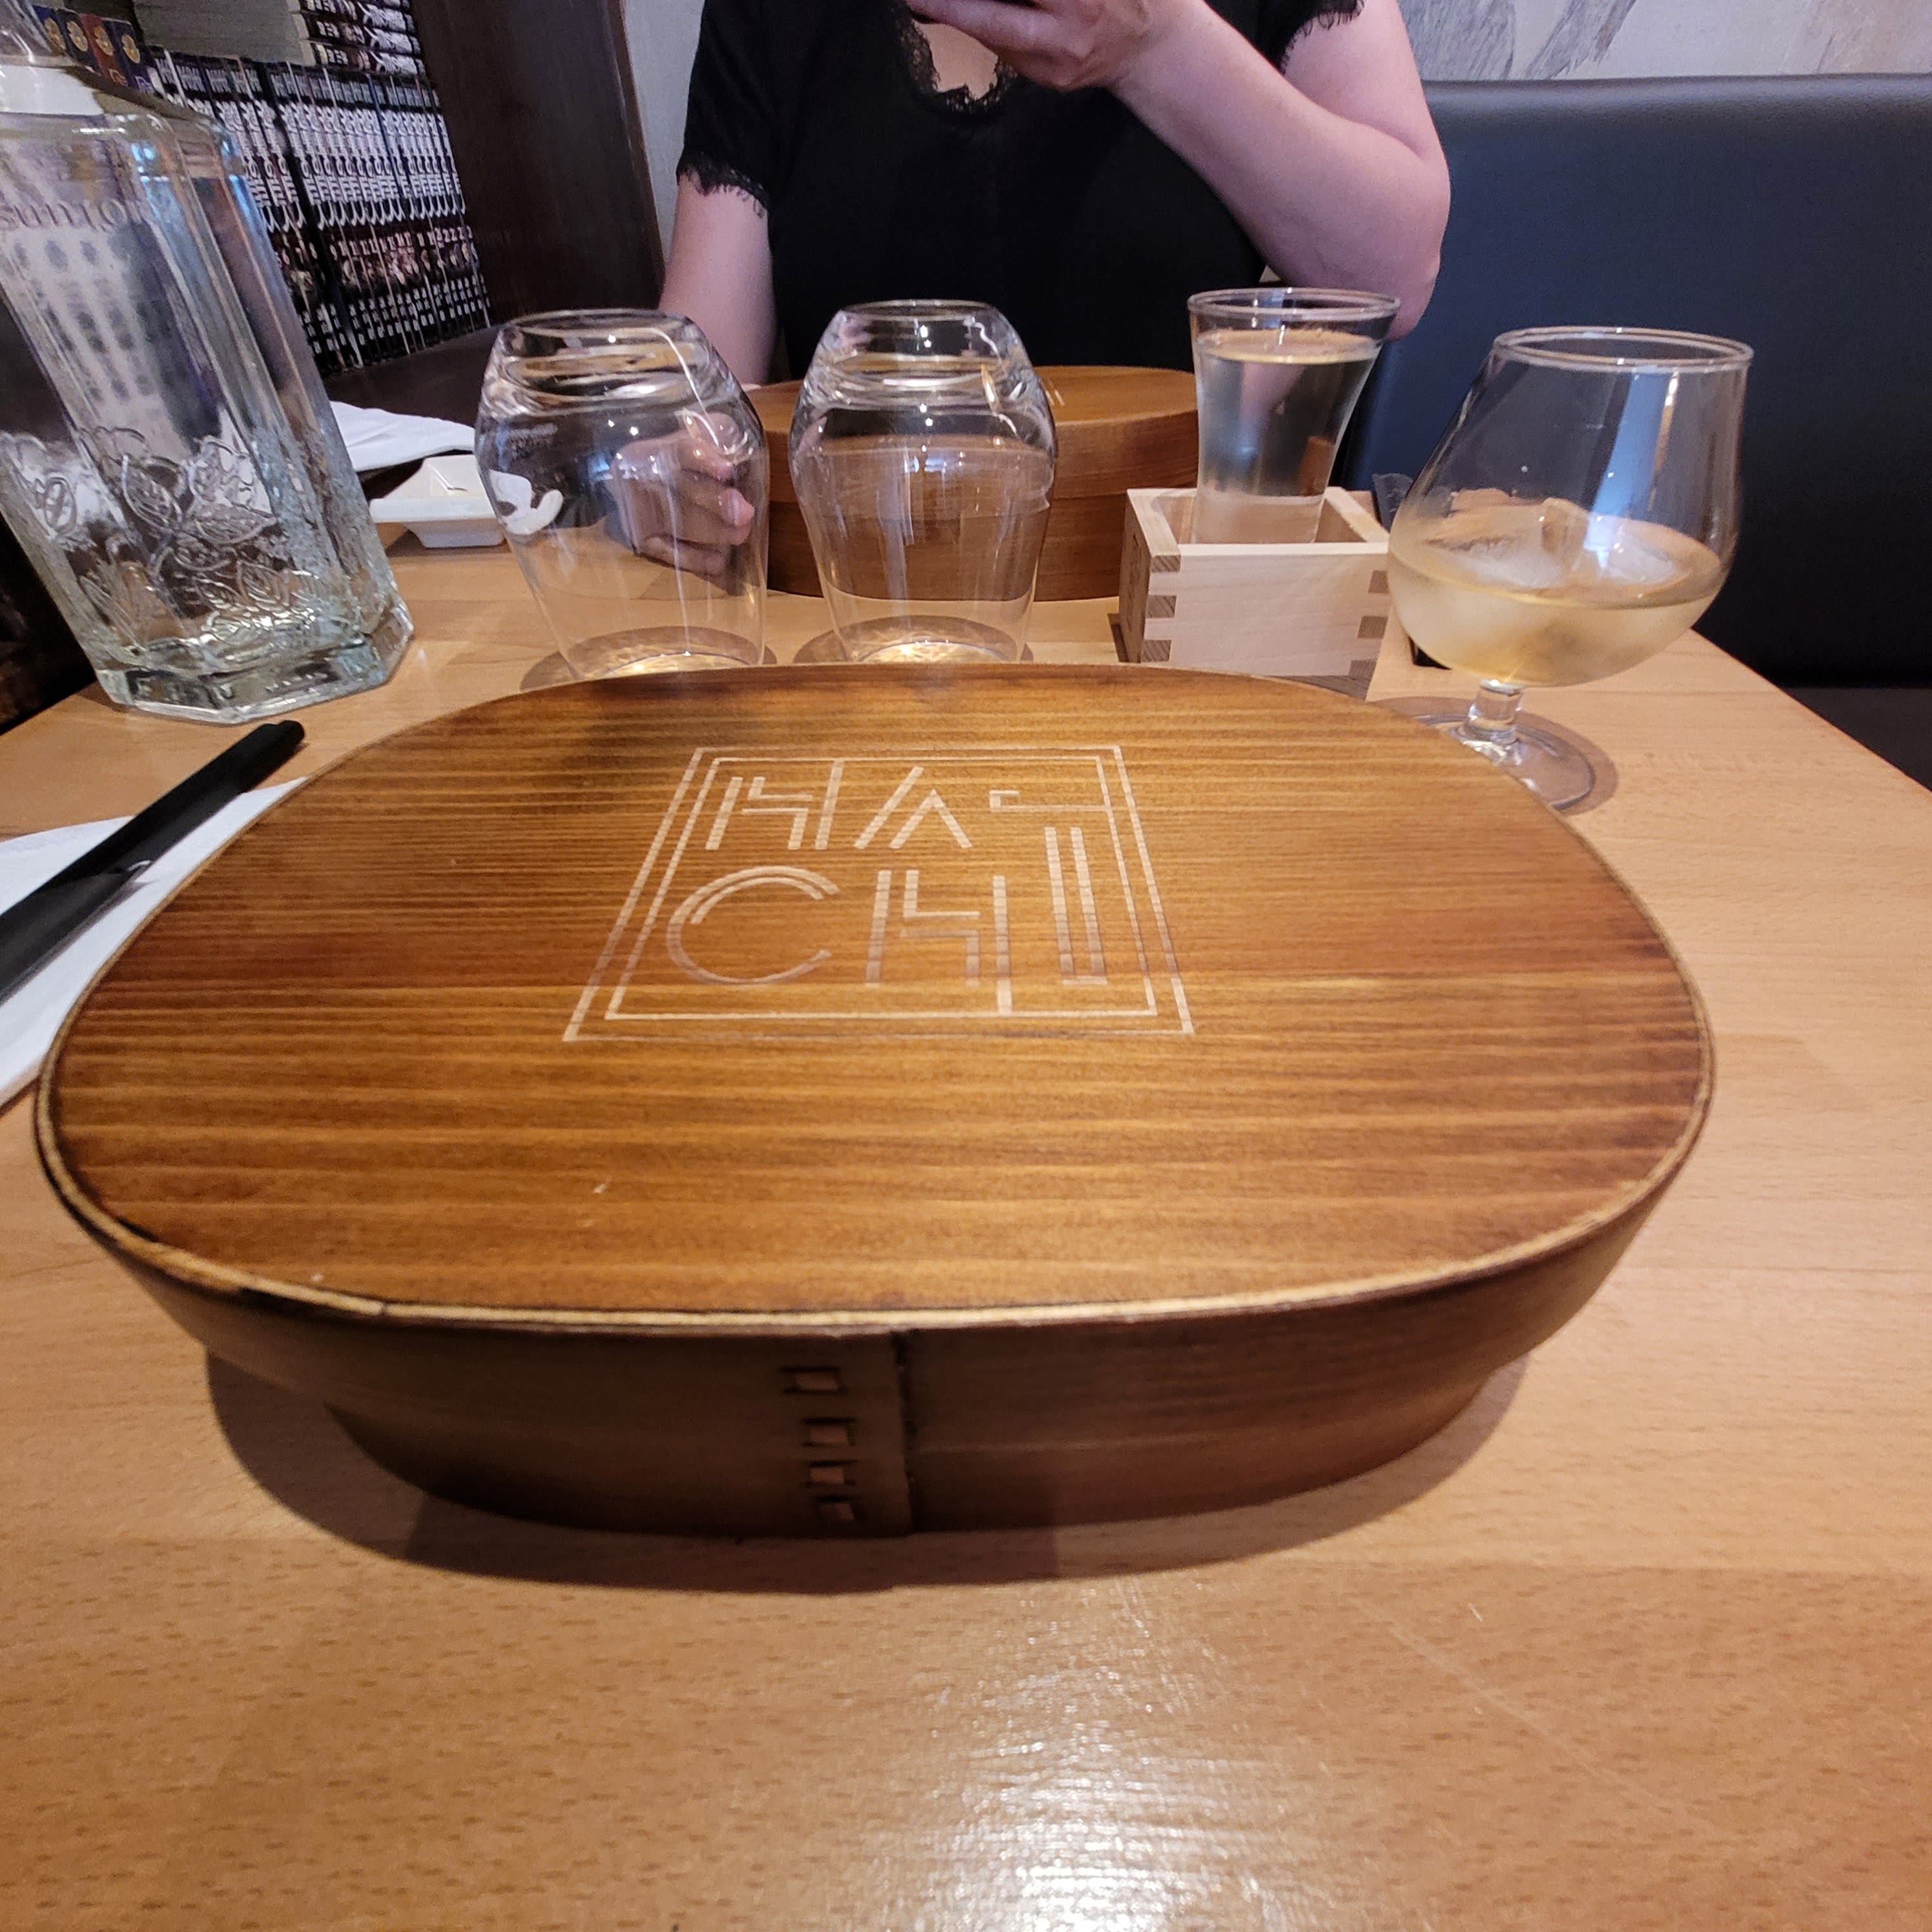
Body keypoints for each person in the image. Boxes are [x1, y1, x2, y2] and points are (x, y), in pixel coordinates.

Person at [659, 0, 1450, 392]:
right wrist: (679, 471)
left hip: (1181, 591)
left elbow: (1394, 277)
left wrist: (1159, 43)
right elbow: (703, 381)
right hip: (872, 597)